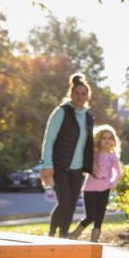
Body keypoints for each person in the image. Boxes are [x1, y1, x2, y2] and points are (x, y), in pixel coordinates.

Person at [40, 74, 94, 238]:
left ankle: (63, 236)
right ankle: (51, 234)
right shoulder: (61, 112)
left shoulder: (88, 117)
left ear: (88, 96)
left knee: (71, 206)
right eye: (77, 93)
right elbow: (49, 139)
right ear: (71, 94)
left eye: (83, 94)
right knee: (64, 202)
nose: (80, 96)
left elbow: (89, 144)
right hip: (59, 165)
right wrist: (47, 164)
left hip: (77, 169)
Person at [68, 125, 122, 242]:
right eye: (104, 138)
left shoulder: (113, 156)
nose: (107, 140)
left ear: (113, 140)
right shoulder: (93, 154)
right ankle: (74, 234)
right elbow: (84, 166)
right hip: (90, 188)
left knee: (100, 217)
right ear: (98, 139)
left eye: (109, 138)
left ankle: (94, 241)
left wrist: (113, 181)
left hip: (105, 188)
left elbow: (117, 171)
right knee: (91, 215)